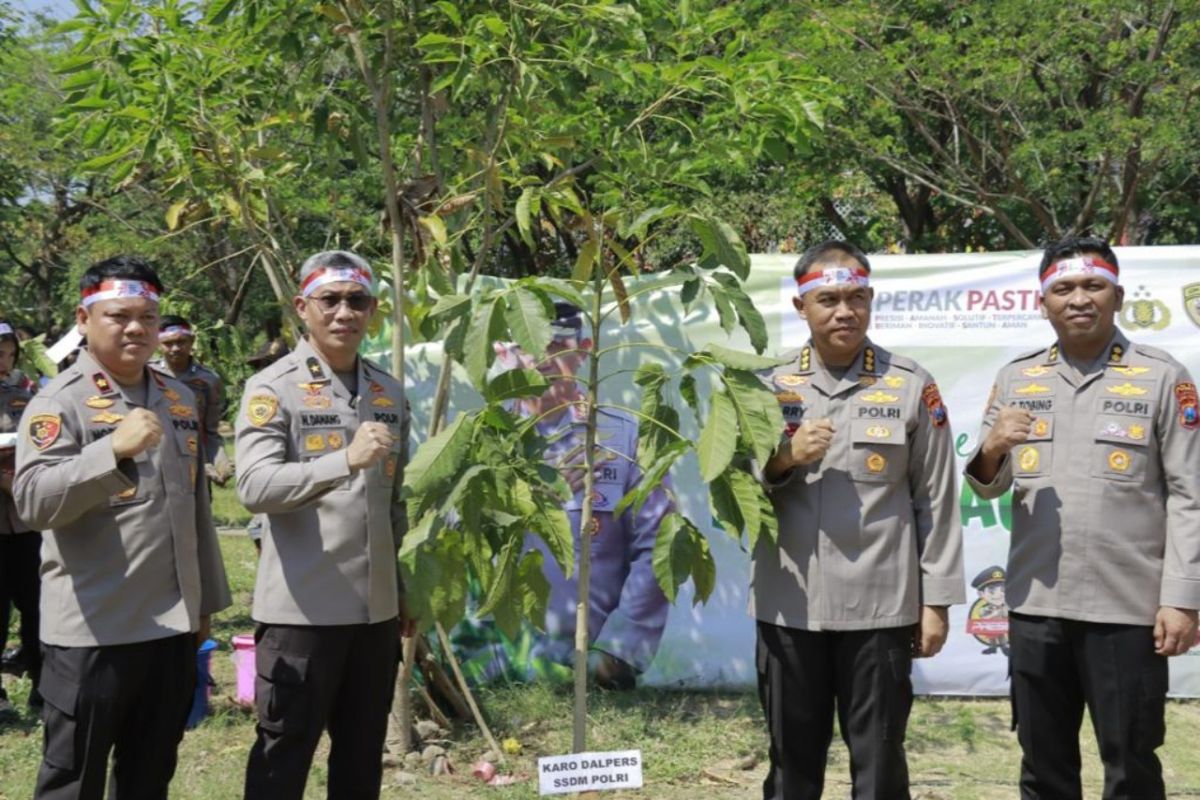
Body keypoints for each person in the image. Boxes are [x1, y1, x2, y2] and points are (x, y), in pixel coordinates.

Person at [964, 236, 1200, 799]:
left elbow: (1190, 494)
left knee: (1132, 765)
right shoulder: (1018, 377)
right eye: (1062, 288)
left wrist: (1183, 597)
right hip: (1036, 606)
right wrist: (993, 446)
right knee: (1043, 769)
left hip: (1128, 607)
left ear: (1117, 296)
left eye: (1093, 286)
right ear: (1041, 302)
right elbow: (986, 483)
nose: (1078, 299)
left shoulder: (1163, 376)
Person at [13, 256, 231, 799]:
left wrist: (203, 607)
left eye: (148, 316)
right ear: (84, 320)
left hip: (168, 632)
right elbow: (34, 502)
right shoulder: (56, 402)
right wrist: (110, 449)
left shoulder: (178, 399)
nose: (136, 327)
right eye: (118, 315)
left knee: (148, 775)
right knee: (73, 782)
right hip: (93, 634)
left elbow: (194, 510)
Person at [754, 240, 965, 800]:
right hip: (789, 604)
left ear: (871, 301)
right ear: (802, 307)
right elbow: (732, 487)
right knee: (792, 763)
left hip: (880, 609)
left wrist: (936, 602)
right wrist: (785, 460)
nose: (844, 311)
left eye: (856, 297)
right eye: (828, 299)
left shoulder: (909, 383)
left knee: (878, 762)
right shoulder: (766, 384)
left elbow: (937, 498)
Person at [235, 250, 410, 800]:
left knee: (361, 759)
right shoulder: (272, 388)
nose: (343, 313)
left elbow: (395, 502)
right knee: (283, 758)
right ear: (302, 308)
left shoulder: (388, 392)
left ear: (372, 309)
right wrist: (344, 461)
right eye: (329, 300)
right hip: (302, 615)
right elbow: (254, 488)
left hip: (374, 615)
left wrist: (404, 591)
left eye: (356, 300)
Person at [462, 303, 673, 689]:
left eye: (556, 345)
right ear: (505, 353)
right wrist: (529, 493)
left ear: (584, 351)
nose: (542, 359)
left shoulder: (626, 436)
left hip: (587, 668)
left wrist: (619, 651)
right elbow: (456, 538)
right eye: (529, 346)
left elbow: (659, 547)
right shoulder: (480, 439)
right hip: (493, 664)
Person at [0, 321, 40, 713]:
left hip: (27, 519)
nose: (1, 356)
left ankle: (43, 690)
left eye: (5, 349)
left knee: (37, 604)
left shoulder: (31, 393)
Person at [152, 314, 224, 463]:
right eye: (168, 343)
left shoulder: (208, 380)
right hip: (158, 454)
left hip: (195, 453)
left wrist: (216, 458)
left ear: (191, 341)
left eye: (181, 342)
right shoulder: (148, 374)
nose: (175, 348)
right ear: (158, 344)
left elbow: (211, 429)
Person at [241, 336, 290, 556]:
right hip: (265, 481)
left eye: (271, 363)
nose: (266, 369)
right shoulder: (258, 391)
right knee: (258, 530)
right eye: (263, 365)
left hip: (290, 481)